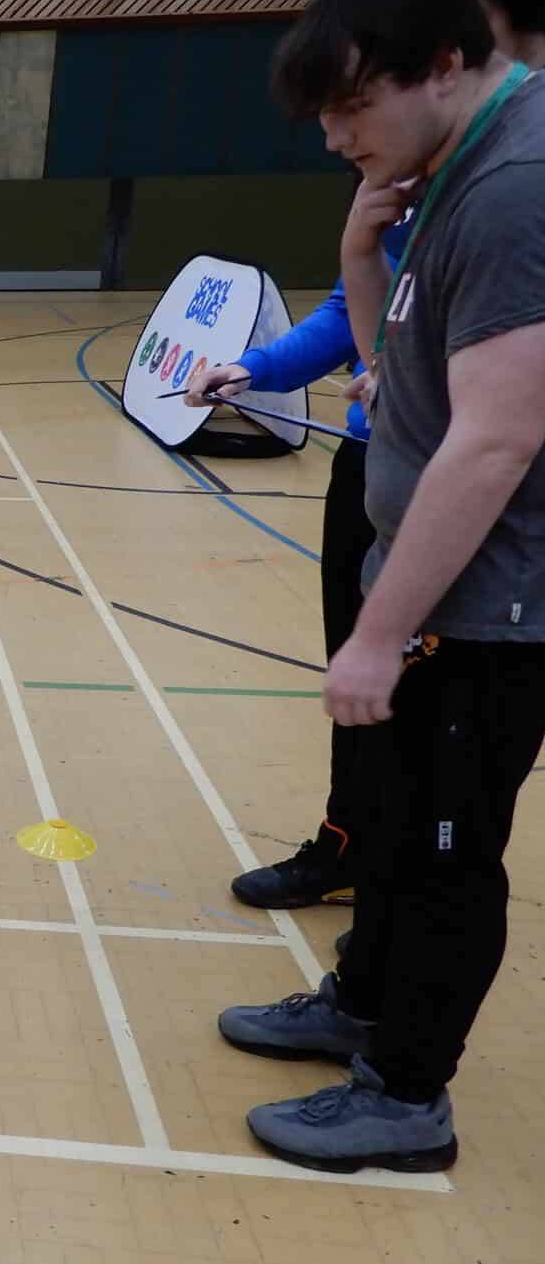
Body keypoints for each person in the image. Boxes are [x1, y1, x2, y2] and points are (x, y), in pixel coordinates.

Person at [217, 0, 545, 1175]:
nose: (333, 135)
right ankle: (363, 1006)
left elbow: (496, 440)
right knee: (398, 827)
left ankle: (409, 1097)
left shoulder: (513, 188)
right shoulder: (447, 172)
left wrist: (378, 631)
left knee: (448, 851)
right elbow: (390, 372)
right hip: (431, 586)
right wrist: (362, 251)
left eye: (352, 106)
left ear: (445, 64)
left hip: (488, 606)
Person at [186, 181, 411, 911]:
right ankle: (349, 844)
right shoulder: (391, 188)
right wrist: (254, 369)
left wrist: (418, 383)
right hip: (368, 466)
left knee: (431, 690)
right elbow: (352, 310)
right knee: (356, 674)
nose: (340, 143)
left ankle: (410, 879)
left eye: (351, 126)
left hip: (445, 479)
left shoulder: (501, 183)